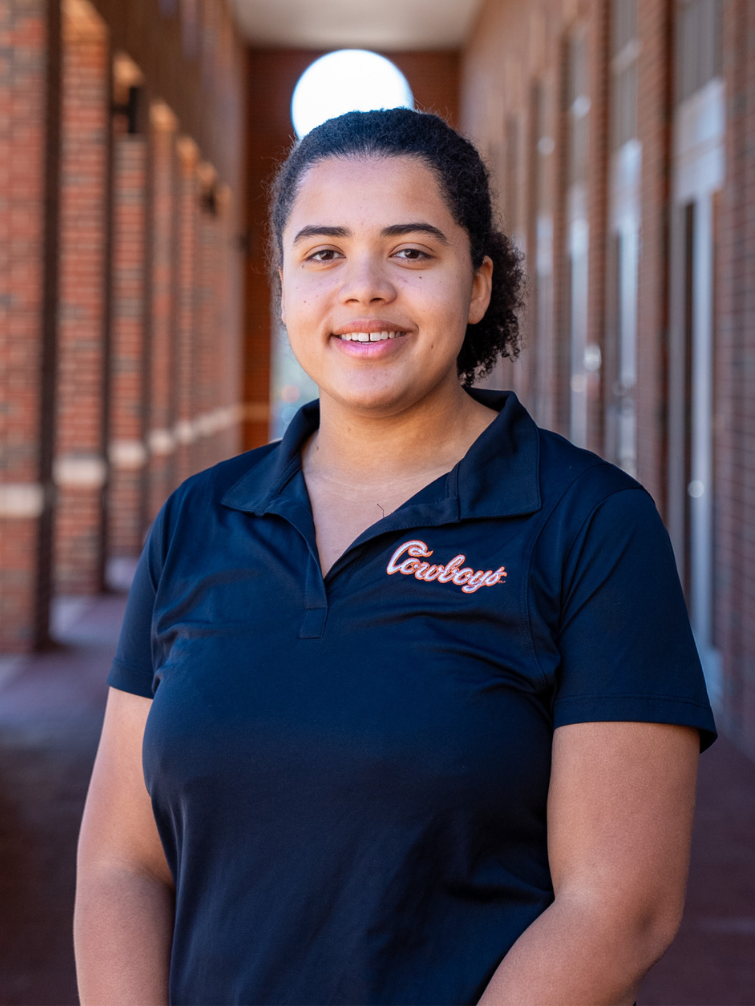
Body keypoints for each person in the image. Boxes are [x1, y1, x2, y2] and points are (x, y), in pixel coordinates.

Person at [74, 108, 716, 1006]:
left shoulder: (590, 523)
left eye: (410, 252)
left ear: (479, 282)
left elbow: (618, 907)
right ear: (283, 284)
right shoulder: (198, 518)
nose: (363, 287)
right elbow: (120, 864)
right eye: (323, 252)